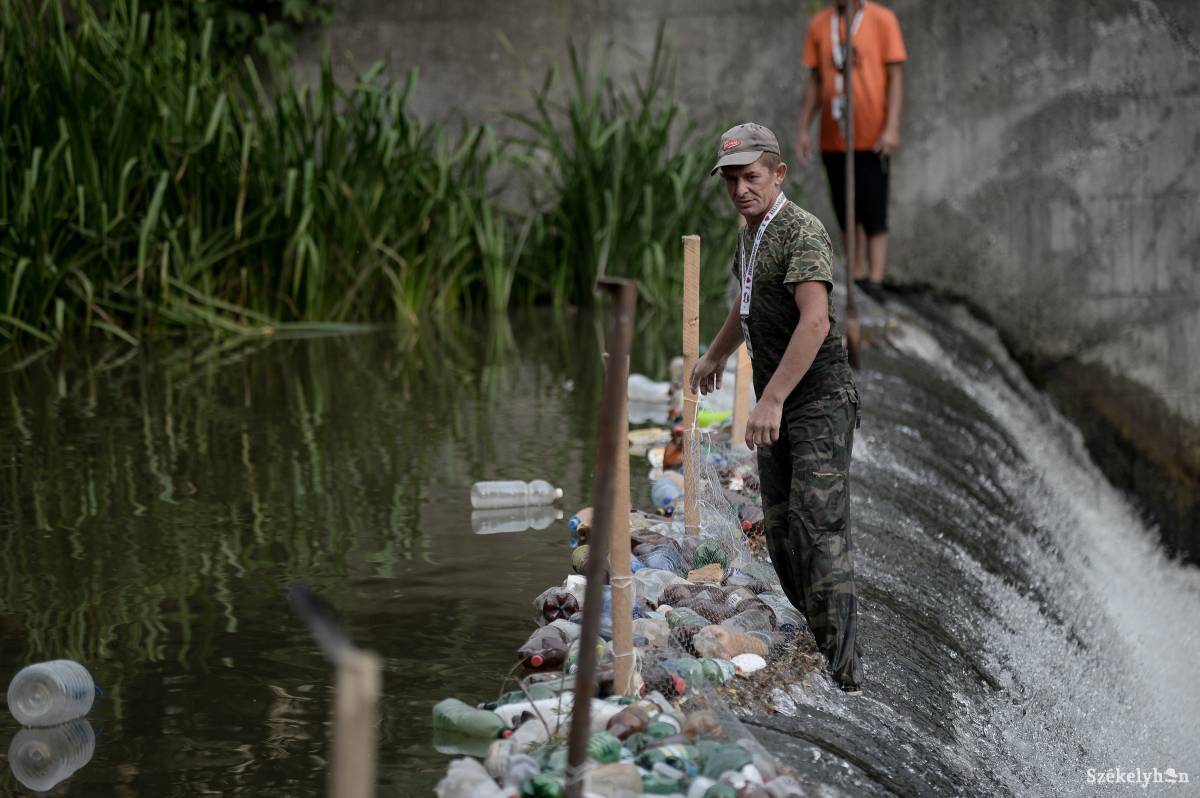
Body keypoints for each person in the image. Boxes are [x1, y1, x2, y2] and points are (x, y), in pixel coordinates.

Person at [690, 123, 863, 694]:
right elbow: (746, 306)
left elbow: (814, 322)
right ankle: (818, 646)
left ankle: (846, 677)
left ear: (778, 174)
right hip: (781, 402)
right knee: (784, 535)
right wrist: (715, 355)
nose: (740, 189)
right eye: (731, 180)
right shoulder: (751, 235)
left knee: (818, 530)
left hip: (816, 402)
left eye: (751, 177)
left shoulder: (801, 231)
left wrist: (771, 399)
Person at [795, 0, 906, 303]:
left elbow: (895, 75)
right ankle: (856, 274)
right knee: (846, 208)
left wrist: (892, 127)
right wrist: (804, 128)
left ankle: (876, 279)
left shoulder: (882, 20)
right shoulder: (820, 24)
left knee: (874, 207)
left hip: (872, 137)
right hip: (834, 138)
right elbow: (816, 80)